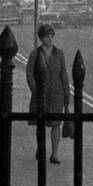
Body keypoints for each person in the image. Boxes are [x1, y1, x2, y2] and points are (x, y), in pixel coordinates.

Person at [26, 22, 70, 164]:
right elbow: (30, 74)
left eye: (52, 36)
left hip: (56, 94)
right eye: (47, 37)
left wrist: (67, 94)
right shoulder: (35, 55)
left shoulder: (59, 54)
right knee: (41, 123)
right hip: (41, 94)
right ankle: (40, 148)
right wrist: (35, 90)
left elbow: (63, 75)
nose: (50, 39)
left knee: (56, 123)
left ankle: (55, 153)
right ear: (41, 39)